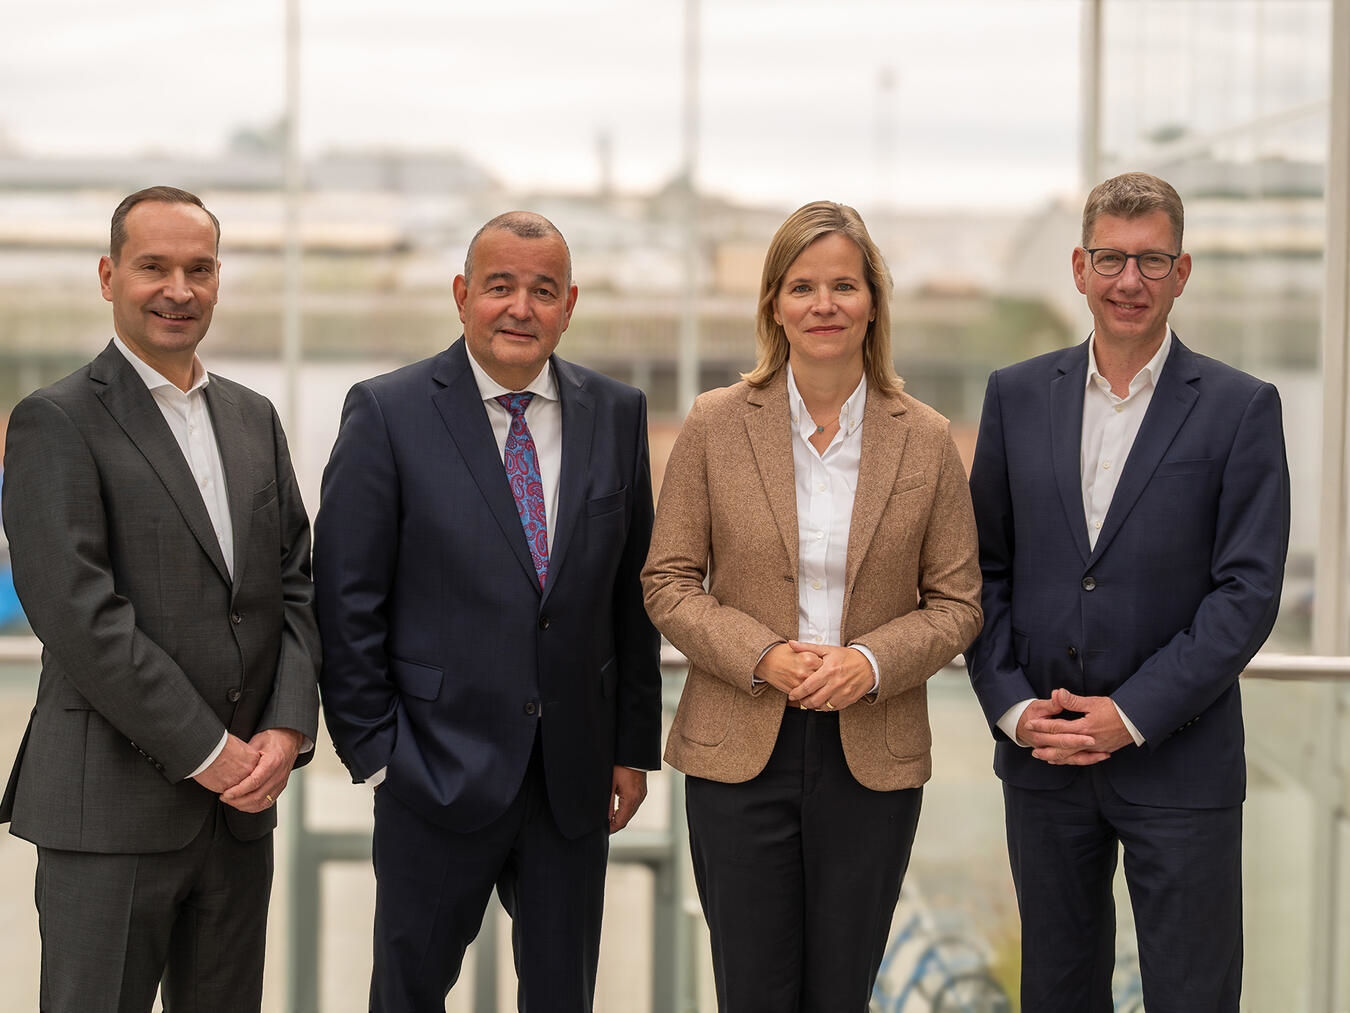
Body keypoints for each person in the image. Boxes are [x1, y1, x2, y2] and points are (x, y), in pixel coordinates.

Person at [314, 211, 663, 1012]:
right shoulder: (387, 411)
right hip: (433, 768)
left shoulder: (618, 410)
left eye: (542, 290)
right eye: (500, 286)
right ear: (462, 294)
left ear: (569, 304)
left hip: (571, 778)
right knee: (408, 994)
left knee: (561, 996)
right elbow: (345, 597)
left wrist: (630, 746)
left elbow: (630, 595)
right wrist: (378, 752)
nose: (520, 307)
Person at [642, 200, 983, 1012]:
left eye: (843, 285)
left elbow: (958, 601)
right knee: (752, 993)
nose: (823, 304)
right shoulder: (717, 424)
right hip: (737, 746)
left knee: (841, 993)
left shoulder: (926, 437)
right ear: (774, 305)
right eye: (802, 286)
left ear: (873, 302)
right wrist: (763, 653)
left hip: (872, 753)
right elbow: (668, 579)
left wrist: (867, 663)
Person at [965, 172, 1290, 1012]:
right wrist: (1011, 706)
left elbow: (1245, 594)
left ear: (1183, 273)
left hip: (1179, 763)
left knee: (1192, 993)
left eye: (1152, 261)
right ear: (1079, 267)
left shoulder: (1241, 408)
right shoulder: (1014, 395)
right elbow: (981, 571)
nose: (1130, 281)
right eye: (1112, 258)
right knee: (1059, 993)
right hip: (1044, 759)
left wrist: (1130, 713)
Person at [0, 185, 321, 1013]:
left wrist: (284, 729)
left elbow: (294, 584)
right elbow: (78, 614)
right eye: (154, 266)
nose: (179, 287)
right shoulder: (54, 420)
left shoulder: (255, 420)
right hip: (108, 812)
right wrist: (209, 750)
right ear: (109, 276)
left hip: (241, 813)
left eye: (199, 267)